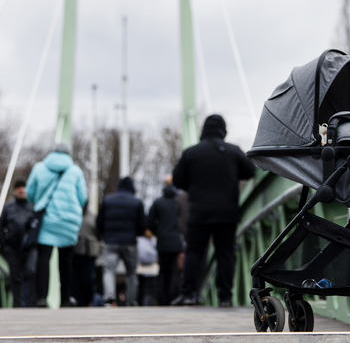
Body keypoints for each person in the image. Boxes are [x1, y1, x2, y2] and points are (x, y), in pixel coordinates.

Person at [170, 114, 256, 307]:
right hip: (227, 212)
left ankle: (188, 294)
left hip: (199, 211)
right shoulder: (233, 152)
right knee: (225, 253)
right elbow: (250, 171)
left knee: (194, 252)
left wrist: (193, 185)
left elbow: (177, 180)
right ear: (223, 130)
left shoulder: (191, 153)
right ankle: (225, 297)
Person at [26, 142, 87, 308]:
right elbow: (82, 198)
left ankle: (40, 298)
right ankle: (65, 298)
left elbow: (30, 193)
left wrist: (40, 201)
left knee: (43, 258)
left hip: (46, 219)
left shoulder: (39, 168)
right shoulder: (75, 171)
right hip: (68, 220)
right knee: (65, 261)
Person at [96, 176, 145, 307]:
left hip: (111, 241)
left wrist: (104, 235)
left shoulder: (107, 200)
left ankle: (109, 298)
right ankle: (131, 301)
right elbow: (142, 225)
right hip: (129, 242)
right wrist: (135, 234)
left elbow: (99, 222)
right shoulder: (137, 202)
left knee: (109, 270)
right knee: (132, 273)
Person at [0, 179, 36, 307]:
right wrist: (4, 245)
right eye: (19, 187)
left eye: (24, 187)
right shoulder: (8, 206)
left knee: (31, 273)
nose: (21, 190)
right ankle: (18, 305)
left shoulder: (32, 206)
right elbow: (0, 226)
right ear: (15, 190)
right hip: (12, 248)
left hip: (29, 248)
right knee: (16, 277)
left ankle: (31, 303)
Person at [147, 175, 184, 306]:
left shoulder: (158, 202)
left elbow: (149, 221)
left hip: (162, 243)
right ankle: (174, 296)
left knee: (163, 271)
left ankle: (163, 299)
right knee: (175, 272)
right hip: (177, 242)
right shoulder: (179, 201)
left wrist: (159, 233)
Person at [72, 205, 101, 307]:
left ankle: (88, 300)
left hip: (89, 253)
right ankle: (78, 301)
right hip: (74, 251)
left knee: (88, 279)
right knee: (74, 279)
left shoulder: (93, 217)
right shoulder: (72, 214)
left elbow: (99, 232)